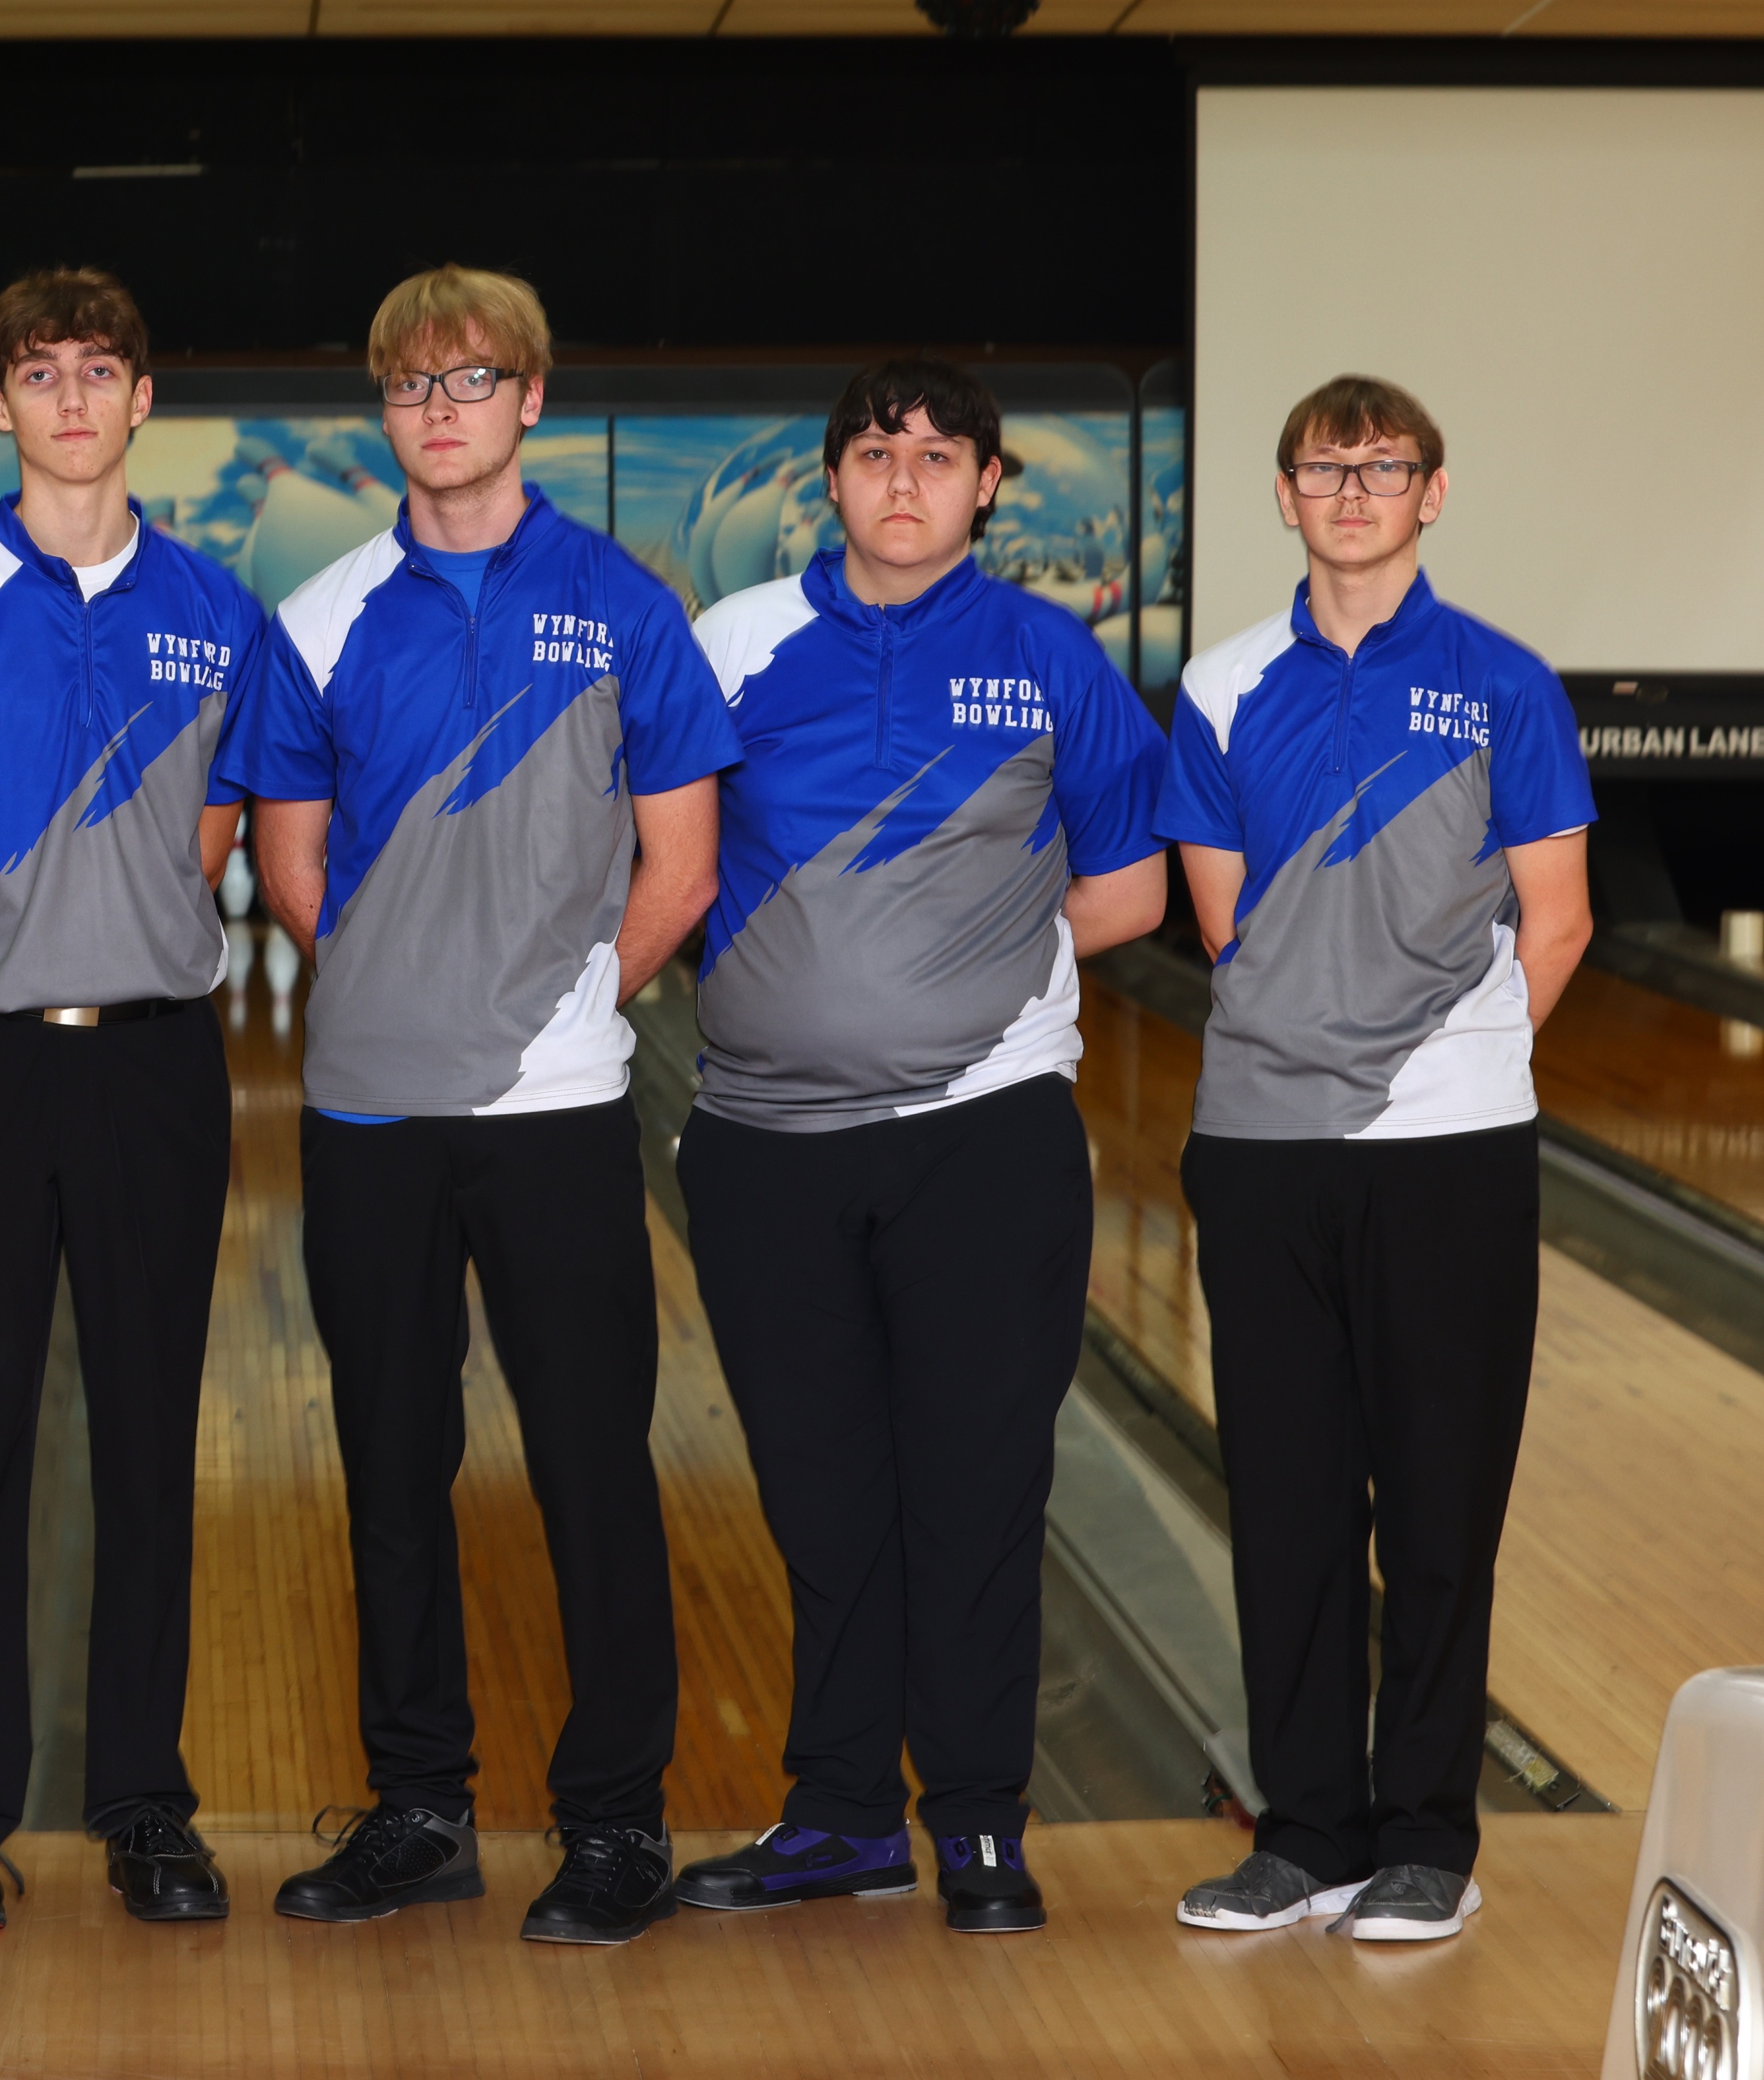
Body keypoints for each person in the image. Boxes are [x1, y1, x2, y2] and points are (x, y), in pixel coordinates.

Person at [226, 265, 737, 1947]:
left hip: (559, 1108)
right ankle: (418, 1810)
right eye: (407, 388)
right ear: (382, 416)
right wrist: (402, 992)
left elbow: (680, 860)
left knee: (589, 1461)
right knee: (387, 1465)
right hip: (372, 1113)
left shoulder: (622, 604)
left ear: (530, 398)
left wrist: (561, 1001)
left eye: (470, 381)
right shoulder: (322, 617)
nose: (438, 411)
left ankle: (613, 1827)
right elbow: (294, 870)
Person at [667, 360, 1167, 1937]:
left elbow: (1137, 882)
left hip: (986, 1139)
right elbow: (664, 860)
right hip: (761, 1145)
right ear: (830, 481)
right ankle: (837, 1817)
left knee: (975, 1487)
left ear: (988, 486)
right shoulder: (732, 647)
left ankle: (978, 1826)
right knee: (821, 1496)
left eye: (937, 456)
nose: (904, 479)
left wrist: (991, 971)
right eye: (875, 453)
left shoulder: (1048, 655)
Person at [0, 268, 260, 1931]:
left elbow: (217, 840)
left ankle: (146, 1803)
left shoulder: (221, 605)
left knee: (156, 1433)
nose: (75, 396)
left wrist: (123, 951)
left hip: (157, 1059)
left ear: (142, 399)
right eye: (42, 372)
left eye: (102, 369)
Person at [1164, 376, 1591, 1945]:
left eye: (1382, 466)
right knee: (1281, 1497)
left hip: (1450, 1151)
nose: (1352, 490)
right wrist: (1316, 1054)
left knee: (1435, 1502)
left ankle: (1423, 1835)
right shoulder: (1220, 686)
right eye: (1323, 468)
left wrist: (1449, 1062)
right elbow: (1224, 927)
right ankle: (1305, 1833)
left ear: (1432, 491)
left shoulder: (1502, 684)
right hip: (1261, 1147)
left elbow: (1556, 920)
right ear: (1281, 496)